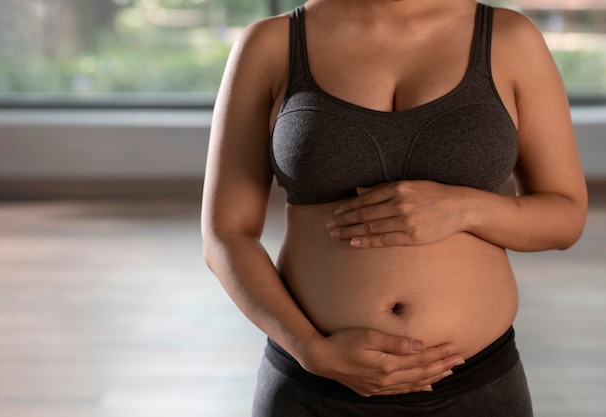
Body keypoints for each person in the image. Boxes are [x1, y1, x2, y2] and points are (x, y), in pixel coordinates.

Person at [201, 0, 588, 415]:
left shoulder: (511, 38)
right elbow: (227, 234)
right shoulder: (271, 44)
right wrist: (310, 349)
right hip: (313, 386)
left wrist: (466, 209)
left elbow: (565, 216)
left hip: (477, 386)